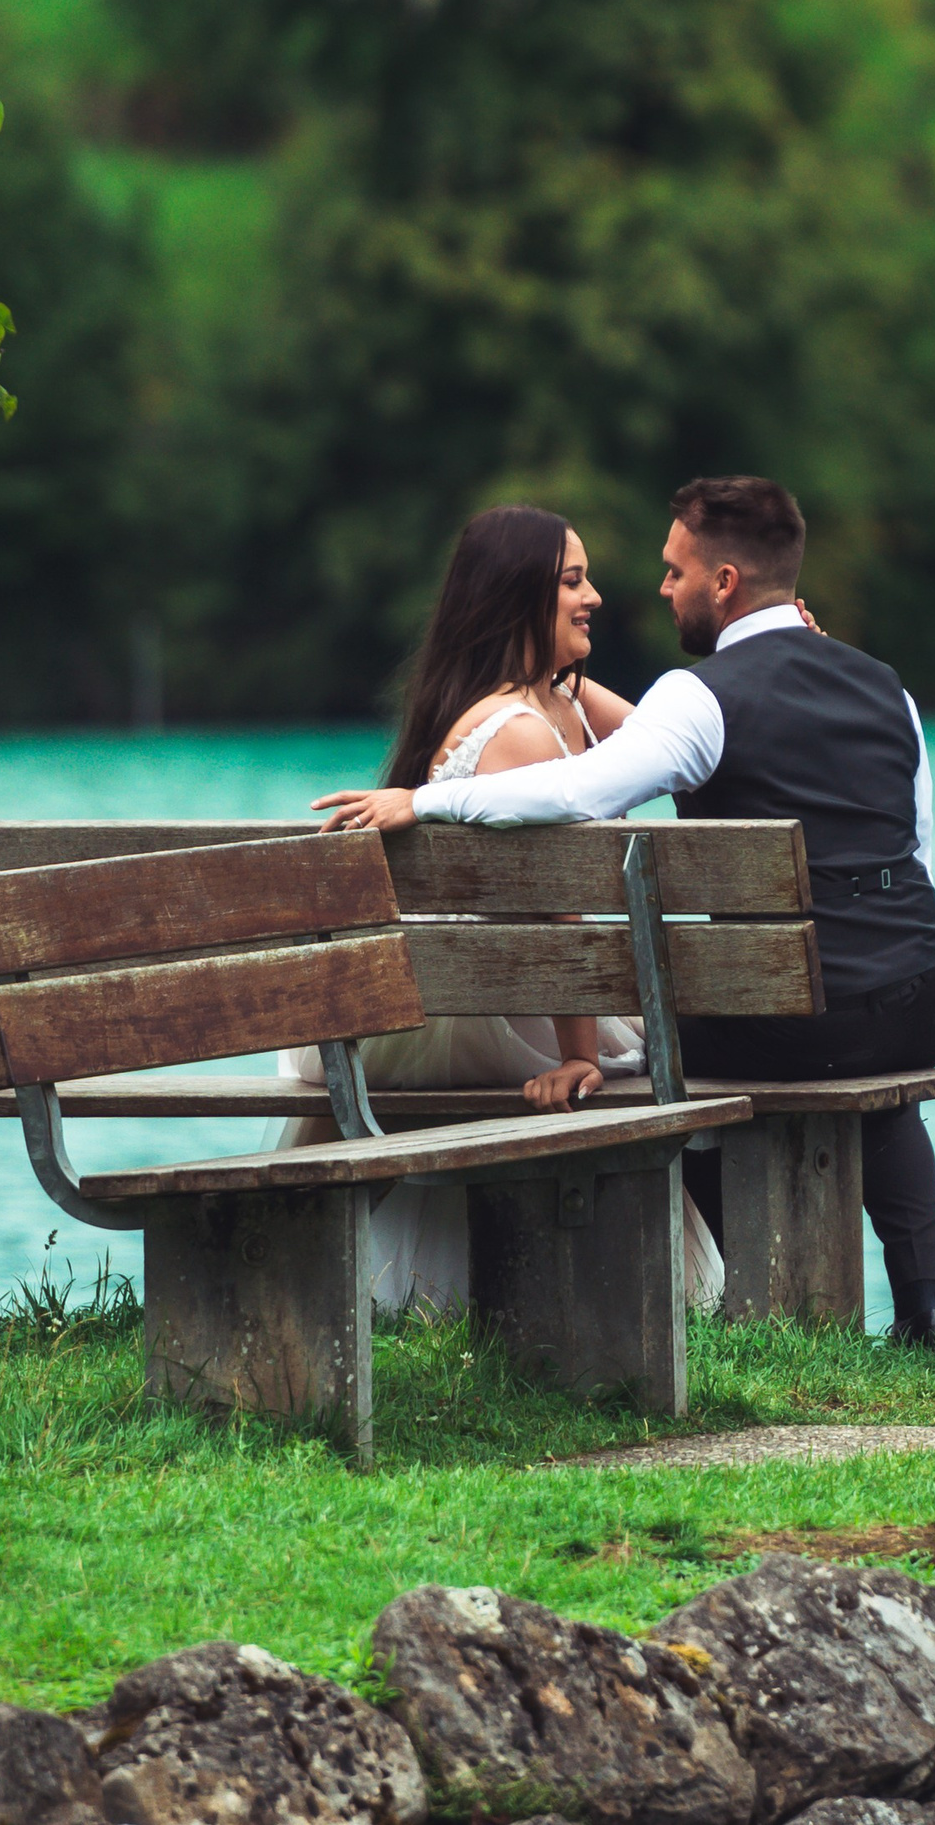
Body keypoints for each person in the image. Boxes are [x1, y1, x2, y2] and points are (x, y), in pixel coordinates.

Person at [316, 474, 935, 1349]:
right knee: (870, 1066)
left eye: (674, 570)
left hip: (786, 1017)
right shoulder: (889, 687)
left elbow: (579, 791)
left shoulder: (699, 697)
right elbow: (917, 846)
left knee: (674, 1053)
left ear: (724, 581)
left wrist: (422, 803)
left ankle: (762, 1303)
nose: (657, 588)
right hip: (925, 1001)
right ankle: (924, 1311)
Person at [292, 502, 723, 1313]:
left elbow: (673, 757)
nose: (593, 595)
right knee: (678, 1054)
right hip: (492, 1003)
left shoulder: (561, 699)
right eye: (571, 580)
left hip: (499, 987)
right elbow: (553, 910)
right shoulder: (519, 729)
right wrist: (581, 1055)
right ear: (515, 597)